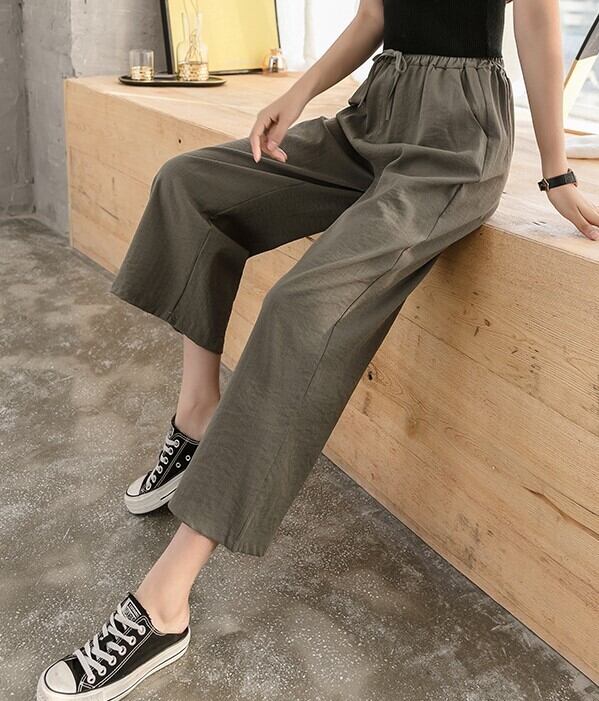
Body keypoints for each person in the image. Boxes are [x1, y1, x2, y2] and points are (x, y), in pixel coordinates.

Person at [37, 0, 599, 698]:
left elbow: (538, 21)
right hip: (374, 114)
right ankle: (198, 410)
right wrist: (295, 95)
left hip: (456, 140)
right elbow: (373, 15)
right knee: (188, 184)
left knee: (300, 308)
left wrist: (556, 172)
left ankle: (164, 604)